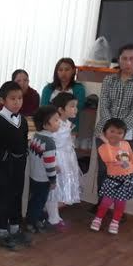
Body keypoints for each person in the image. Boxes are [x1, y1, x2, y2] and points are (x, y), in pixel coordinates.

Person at [94, 45, 133, 201]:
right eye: (124, 58)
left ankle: (118, 207)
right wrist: (110, 130)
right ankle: (101, 204)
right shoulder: (109, 79)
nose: (128, 62)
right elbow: (104, 104)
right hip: (104, 133)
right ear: (119, 60)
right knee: (104, 170)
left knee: (122, 170)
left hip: (126, 137)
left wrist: (119, 132)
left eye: (132, 59)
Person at [0, 81, 30, 251]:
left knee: (17, 194)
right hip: (5, 165)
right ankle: (2, 230)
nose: (17, 102)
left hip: (19, 163)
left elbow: (24, 138)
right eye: (12, 99)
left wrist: (24, 152)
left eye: (20, 98)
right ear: (3, 100)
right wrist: (3, 156)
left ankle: (15, 227)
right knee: (4, 196)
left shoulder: (22, 120)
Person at [91, 118, 133, 234]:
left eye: (120, 133)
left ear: (124, 135)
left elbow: (131, 159)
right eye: (112, 131)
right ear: (105, 132)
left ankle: (115, 222)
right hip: (113, 180)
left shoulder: (125, 144)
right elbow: (110, 159)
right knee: (105, 202)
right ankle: (98, 219)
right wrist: (107, 143)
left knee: (120, 203)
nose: (115, 135)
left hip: (127, 178)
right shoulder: (103, 148)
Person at [45, 93, 82, 230]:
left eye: (76, 106)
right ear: (61, 110)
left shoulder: (67, 123)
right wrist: (54, 163)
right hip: (58, 159)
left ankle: (53, 213)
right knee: (54, 189)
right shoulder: (56, 125)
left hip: (67, 158)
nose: (75, 109)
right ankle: (53, 217)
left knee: (60, 187)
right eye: (72, 106)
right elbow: (51, 144)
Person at [27, 106, 61, 233]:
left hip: (34, 176)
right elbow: (49, 165)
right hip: (43, 179)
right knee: (39, 202)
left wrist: (53, 165)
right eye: (56, 120)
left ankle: (35, 220)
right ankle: (32, 223)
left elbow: (42, 158)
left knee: (34, 200)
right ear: (46, 125)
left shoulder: (36, 136)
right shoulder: (49, 143)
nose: (59, 122)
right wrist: (53, 180)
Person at [40, 58, 86, 131]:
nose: (63, 73)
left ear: (73, 71)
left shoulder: (79, 88)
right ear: (56, 72)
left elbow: (77, 108)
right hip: (50, 127)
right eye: (60, 70)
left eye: (67, 70)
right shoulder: (48, 88)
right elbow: (43, 109)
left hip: (71, 128)